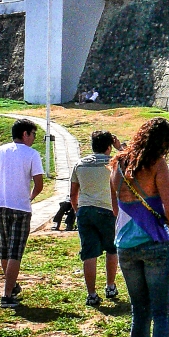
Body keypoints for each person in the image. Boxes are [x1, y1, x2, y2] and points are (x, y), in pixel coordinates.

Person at [111, 117, 169, 337]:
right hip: (154, 244)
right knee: (162, 314)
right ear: (162, 143)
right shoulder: (158, 165)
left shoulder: (118, 163)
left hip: (125, 245)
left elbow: (116, 207)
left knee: (140, 314)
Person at [0, 119, 45, 309]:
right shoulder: (32, 154)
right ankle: (7, 295)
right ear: (25, 134)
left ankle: (12, 285)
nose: (34, 138)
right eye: (33, 134)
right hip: (21, 207)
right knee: (15, 251)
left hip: (0, 204)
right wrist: (30, 197)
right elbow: (39, 184)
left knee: (4, 248)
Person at [71, 130, 120, 308]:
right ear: (109, 147)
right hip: (107, 210)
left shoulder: (80, 164)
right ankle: (110, 286)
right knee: (111, 250)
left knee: (89, 253)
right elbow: (130, 161)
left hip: (85, 210)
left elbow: (73, 193)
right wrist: (120, 147)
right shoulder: (113, 164)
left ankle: (91, 294)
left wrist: (78, 210)